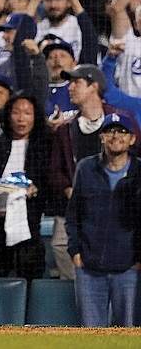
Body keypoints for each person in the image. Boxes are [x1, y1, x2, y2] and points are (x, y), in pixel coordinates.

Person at [65, 112, 141, 327]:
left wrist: (138, 261)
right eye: (110, 131)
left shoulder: (139, 171)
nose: (116, 136)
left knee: (128, 335)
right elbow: (73, 215)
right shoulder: (86, 168)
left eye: (122, 132)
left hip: (129, 269)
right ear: (101, 138)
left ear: (132, 139)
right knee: (91, 336)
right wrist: (76, 252)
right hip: (89, 268)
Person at [0, 92, 50, 281]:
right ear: (8, 115)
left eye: (27, 113)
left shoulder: (44, 146)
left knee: (29, 277)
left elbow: (49, 183)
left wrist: (35, 190)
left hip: (26, 226)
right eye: (16, 112)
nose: (21, 118)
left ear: (35, 116)